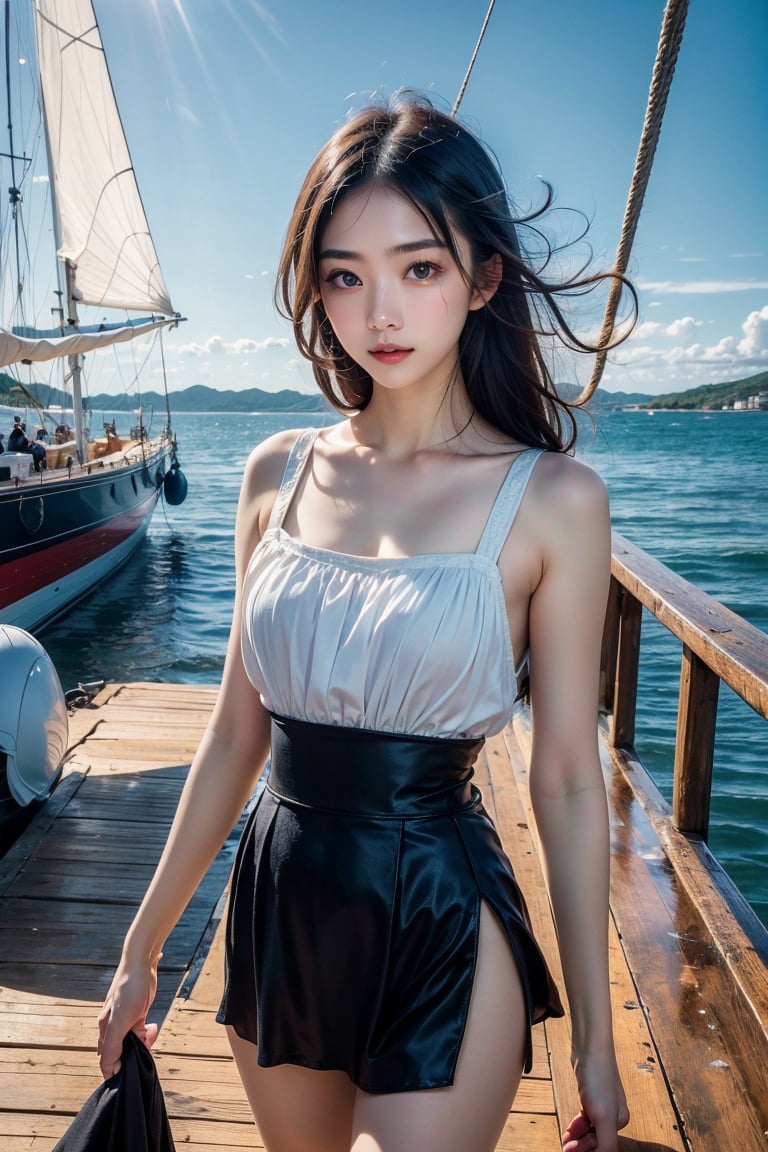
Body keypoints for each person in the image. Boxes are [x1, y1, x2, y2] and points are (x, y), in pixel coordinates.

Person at [98, 94, 635, 1152]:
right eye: (345, 275)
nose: (379, 311)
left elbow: (567, 780)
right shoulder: (275, 474)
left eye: (418, 268)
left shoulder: (554, 500)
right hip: (280, 900)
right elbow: (233, 736)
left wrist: (597, 1053)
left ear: (484, 277)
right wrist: (140, 946)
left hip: (440, 909)